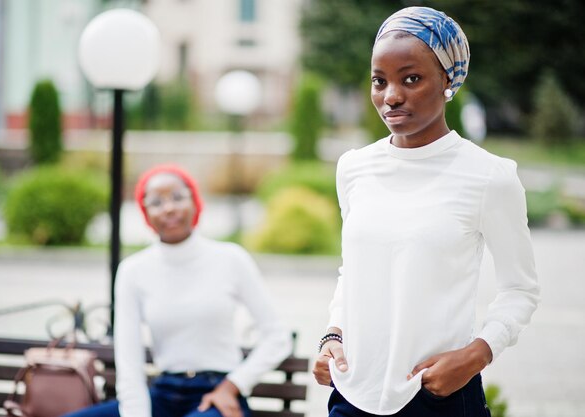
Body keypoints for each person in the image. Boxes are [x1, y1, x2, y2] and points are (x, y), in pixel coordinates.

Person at [312, 6, 540, 417]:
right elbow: (355, 270)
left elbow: (520, 290)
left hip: (439, 397)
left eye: (411, 79)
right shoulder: (353, 167)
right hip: (353, 396)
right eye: (379, 81)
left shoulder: (490, 177)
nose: (391, 96)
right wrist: (333, 334)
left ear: (448, 81)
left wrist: (476, 355)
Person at [65, 164, 292, 417]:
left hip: (215, 397)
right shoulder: (133, 271)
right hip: (161, 395)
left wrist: (232, 386)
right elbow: (129, 362)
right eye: (156, 202)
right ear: (145, 213)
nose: (169, 208)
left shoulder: (231, 259)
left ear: (195, 202)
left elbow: (278, 337)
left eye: (177, 197)